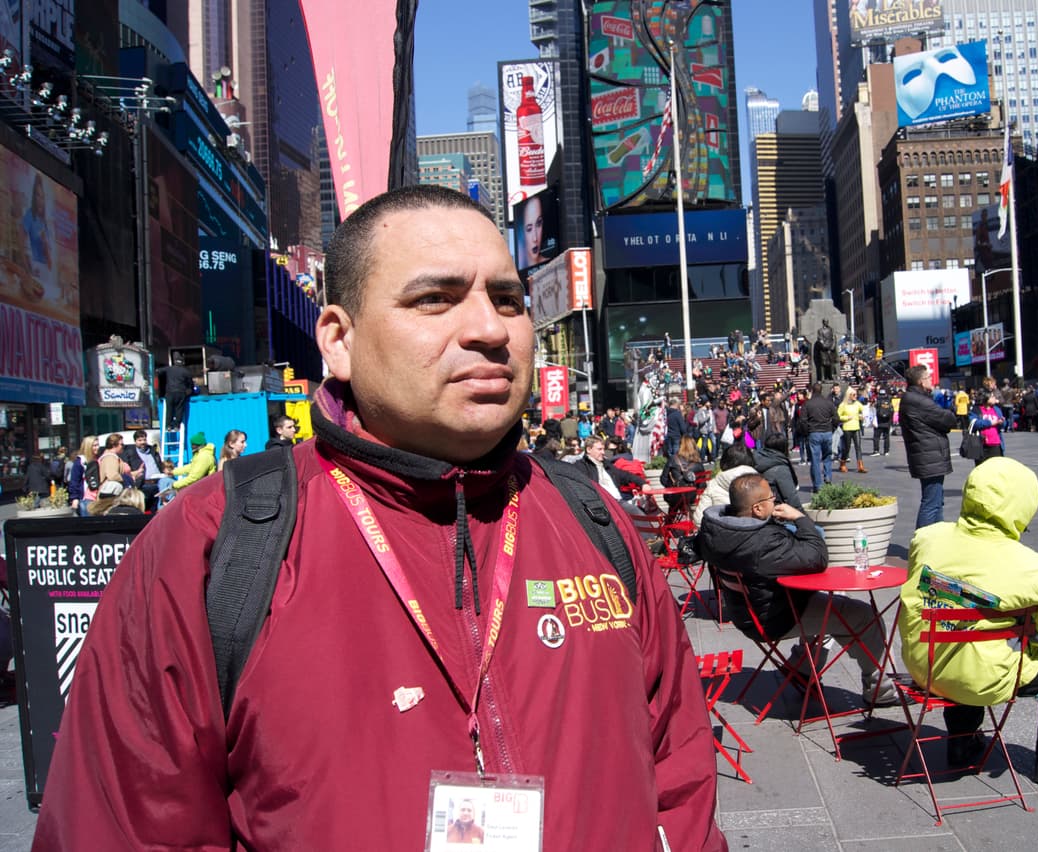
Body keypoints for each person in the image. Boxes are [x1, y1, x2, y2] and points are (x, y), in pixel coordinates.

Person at [31, 185, 726, 851]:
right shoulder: (215, 544)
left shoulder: (588, 516)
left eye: (507, 299)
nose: (490, 329)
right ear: (337, 339)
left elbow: (679, 773)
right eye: (434, 299)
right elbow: (128, 825)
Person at [900, 457, 1038, 786]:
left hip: (925, 664)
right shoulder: (1031, 567)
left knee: (962, 636)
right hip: (978, 678)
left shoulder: (927, 538)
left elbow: (933, 592)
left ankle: (962, 742)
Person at [698, 473, 896, 707]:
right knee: (866, 617)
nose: (776, 501)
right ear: (758, 508)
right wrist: (800, 519)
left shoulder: (716, 532)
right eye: (772, 498)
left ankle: (802, 668)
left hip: (747, 612)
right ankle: (879, 691)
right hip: (775, 618)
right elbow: (817, 557)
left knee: (836, 602)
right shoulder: (762, 543)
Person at [898, 365, 957, 529]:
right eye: (929, 377)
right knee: (931, 503)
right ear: (921, 381)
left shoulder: (912, 398)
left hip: (927, 455)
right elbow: (948, 420)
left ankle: (936, 541)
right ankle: (923, 543)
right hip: (929, 456)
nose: (932, 381)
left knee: (936, 501)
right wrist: (949, 409)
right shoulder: (919, 401)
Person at [692, 442, 756, 527]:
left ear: (724, 462)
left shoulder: (714, 484)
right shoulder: (761, 483)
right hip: (755, 535)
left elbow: (699, 519)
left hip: (720, 535)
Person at [801, 382, 839, 489]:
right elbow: (836, 418)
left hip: (814, 432)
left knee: (815, 460)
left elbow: (803, 421)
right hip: (827, 432)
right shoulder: (828, 403)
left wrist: (806, 433)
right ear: (822, 390)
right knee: (827, 457)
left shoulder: (808, 404)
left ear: (812, 391)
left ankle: (818, 485)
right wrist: (832, 428)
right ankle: (828, 477)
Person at [120, 430, 170, 509]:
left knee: (158, 509)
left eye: (144, 440)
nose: (143, 442)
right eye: (140, 440)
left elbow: (159, 464)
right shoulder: (130, 453)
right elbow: (126, 471)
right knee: (142, 508)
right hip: (142, 485)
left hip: (157, 484)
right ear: (135, 441)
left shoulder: (153, 451)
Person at [753, 430, 803, 510]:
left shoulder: (755, 461)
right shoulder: (780, 469)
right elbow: (792, 500)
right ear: (784, 448)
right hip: (776, 513)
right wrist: (803, 518)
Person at [968, 391, 1005, 465]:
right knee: (981, 468)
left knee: (995, 468)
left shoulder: (996, 409)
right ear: (986, 399)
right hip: (981, 444)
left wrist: (1002, 422)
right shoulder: (976, 410)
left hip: (995, 443)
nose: (995, 398)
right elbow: (974, 423)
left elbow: (1002, 425)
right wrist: (991, 423)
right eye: (992, 397)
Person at [68, 435, 100, 517]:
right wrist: (74, 498)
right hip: (85, 498)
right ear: (88, 447)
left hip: (98, 497)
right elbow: (74, 481)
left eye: (98, 445)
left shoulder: (98, 459)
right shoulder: (80, 462)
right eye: (94, 445)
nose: (97, 447)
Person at [837, 386, 865, 474]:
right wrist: (846, 417)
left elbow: (863, 409)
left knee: (858, 447)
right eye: (853, 394)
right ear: (849, 395)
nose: (855, 396)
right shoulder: (843, 405)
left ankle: (860, 465)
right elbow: (838, 416)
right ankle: (843, 463)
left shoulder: (857, 403)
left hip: (856, 427)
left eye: (856, 394)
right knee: (847, 447)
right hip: (847, 428)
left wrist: (861, 416)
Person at [517, 193, 547, 269]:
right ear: (521, 232)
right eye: (529, 229)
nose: (535, 238)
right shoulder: (516, 271)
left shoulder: (552, 263)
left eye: (538, 224)